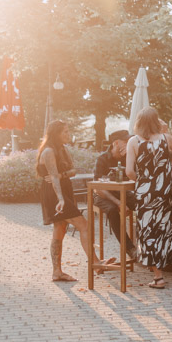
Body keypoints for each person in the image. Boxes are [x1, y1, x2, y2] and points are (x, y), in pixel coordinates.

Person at [125, 107, 172, 289]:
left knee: (147, 231)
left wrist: (144, 182)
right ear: (156, 121)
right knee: (163, 229)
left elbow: (129, 172)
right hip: (164, 193)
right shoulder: (166, 138)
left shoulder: (133, 141)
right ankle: (161, 271)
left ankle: (158, 276)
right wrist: (166, 131)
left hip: (145, 194)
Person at [37, 120, 102, 281]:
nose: (68, 134)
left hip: (64, 189)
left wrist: (62, 175)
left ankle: (57, 272)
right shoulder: (49, 151)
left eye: (68, 131)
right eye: (65, 132)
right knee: (83, 225)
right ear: (56, 134)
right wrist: (61, 199)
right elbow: (53, 178)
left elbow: (73, 171)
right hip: (55, 193)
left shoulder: (63, 149)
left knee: (60, 228)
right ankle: (96, 263)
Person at [93, 130, 137, 259]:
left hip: (122, 193)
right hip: (102, 195)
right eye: (126, 142)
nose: (129, 144)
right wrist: (119, 203)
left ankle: (146, 246)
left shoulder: (128, 157)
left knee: (143, 204)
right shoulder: (102, 159)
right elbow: (98, 188)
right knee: (112, 210)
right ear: (116, 143)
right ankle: (130, 249)